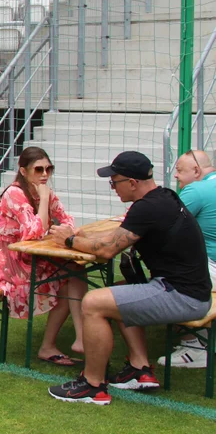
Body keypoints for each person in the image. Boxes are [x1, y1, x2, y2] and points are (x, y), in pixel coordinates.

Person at [47, 152, 214, 405]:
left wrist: (69, 240)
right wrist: (81, 237)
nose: (113, 188)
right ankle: (140, 369)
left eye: (114, 182)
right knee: (121, 291)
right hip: (189, 289)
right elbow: (119, 235)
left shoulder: (148, 207)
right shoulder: (163, 197)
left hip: (184, 295)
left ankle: (92, 385)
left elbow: (106, 249)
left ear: (133, 182)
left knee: (93, 302)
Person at [0, 147, 86, 366]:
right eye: (39, 169)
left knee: (75, 269)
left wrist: (61, 227)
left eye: (49, 168)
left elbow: (66, 219)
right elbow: (33, 231)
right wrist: (45, 201)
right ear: (24, 171)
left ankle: (78, 337)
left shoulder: (43, 190)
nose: (45, 174)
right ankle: (64, 341)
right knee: (65, 275)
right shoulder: (15, 193)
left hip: (29, 253)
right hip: (6, 257)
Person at [156, 150, 216, 368]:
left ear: (197, 171)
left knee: (171, 275)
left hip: (213, 268)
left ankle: (195, 347)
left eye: (180, 171)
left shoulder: (196, 190)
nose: (176, 177)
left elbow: (162, 222)